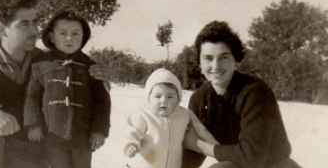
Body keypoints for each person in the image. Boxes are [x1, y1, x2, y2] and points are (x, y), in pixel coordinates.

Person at [0, 0, 110, 168]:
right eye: (24, 24)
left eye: (34, 22)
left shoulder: (47, 63)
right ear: (1, 29)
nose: (34, 30)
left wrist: (98, 77)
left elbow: (79, 91)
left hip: (28, 152)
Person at [182, 21, 301, 168]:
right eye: (208, 58)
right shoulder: (199, 99)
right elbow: (191, 156)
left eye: (224, 57)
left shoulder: (255, 92)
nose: (216, 65)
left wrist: (200, 146)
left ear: (236, 61)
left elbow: (251, 157)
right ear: (199, 65)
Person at [23, 6, 111, 168]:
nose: (69, 39)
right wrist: (33, 124)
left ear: (83, 36)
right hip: (52, 135)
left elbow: (102, 102)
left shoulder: (90, 66)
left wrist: (99, 130)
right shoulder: (40, 65)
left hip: (82, 138)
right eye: (63, 33)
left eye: (75, 34)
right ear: (52, 36)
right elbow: (32, 97)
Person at [124, 68, 218, 168]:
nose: (163, 101)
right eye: (157, 96)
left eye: (170, 97)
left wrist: (218, 148)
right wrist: (130, 145)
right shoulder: (143, 115)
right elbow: (132, 132)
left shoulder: (183, 115)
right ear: (149, 98)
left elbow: (200, 130)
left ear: (178, 99)